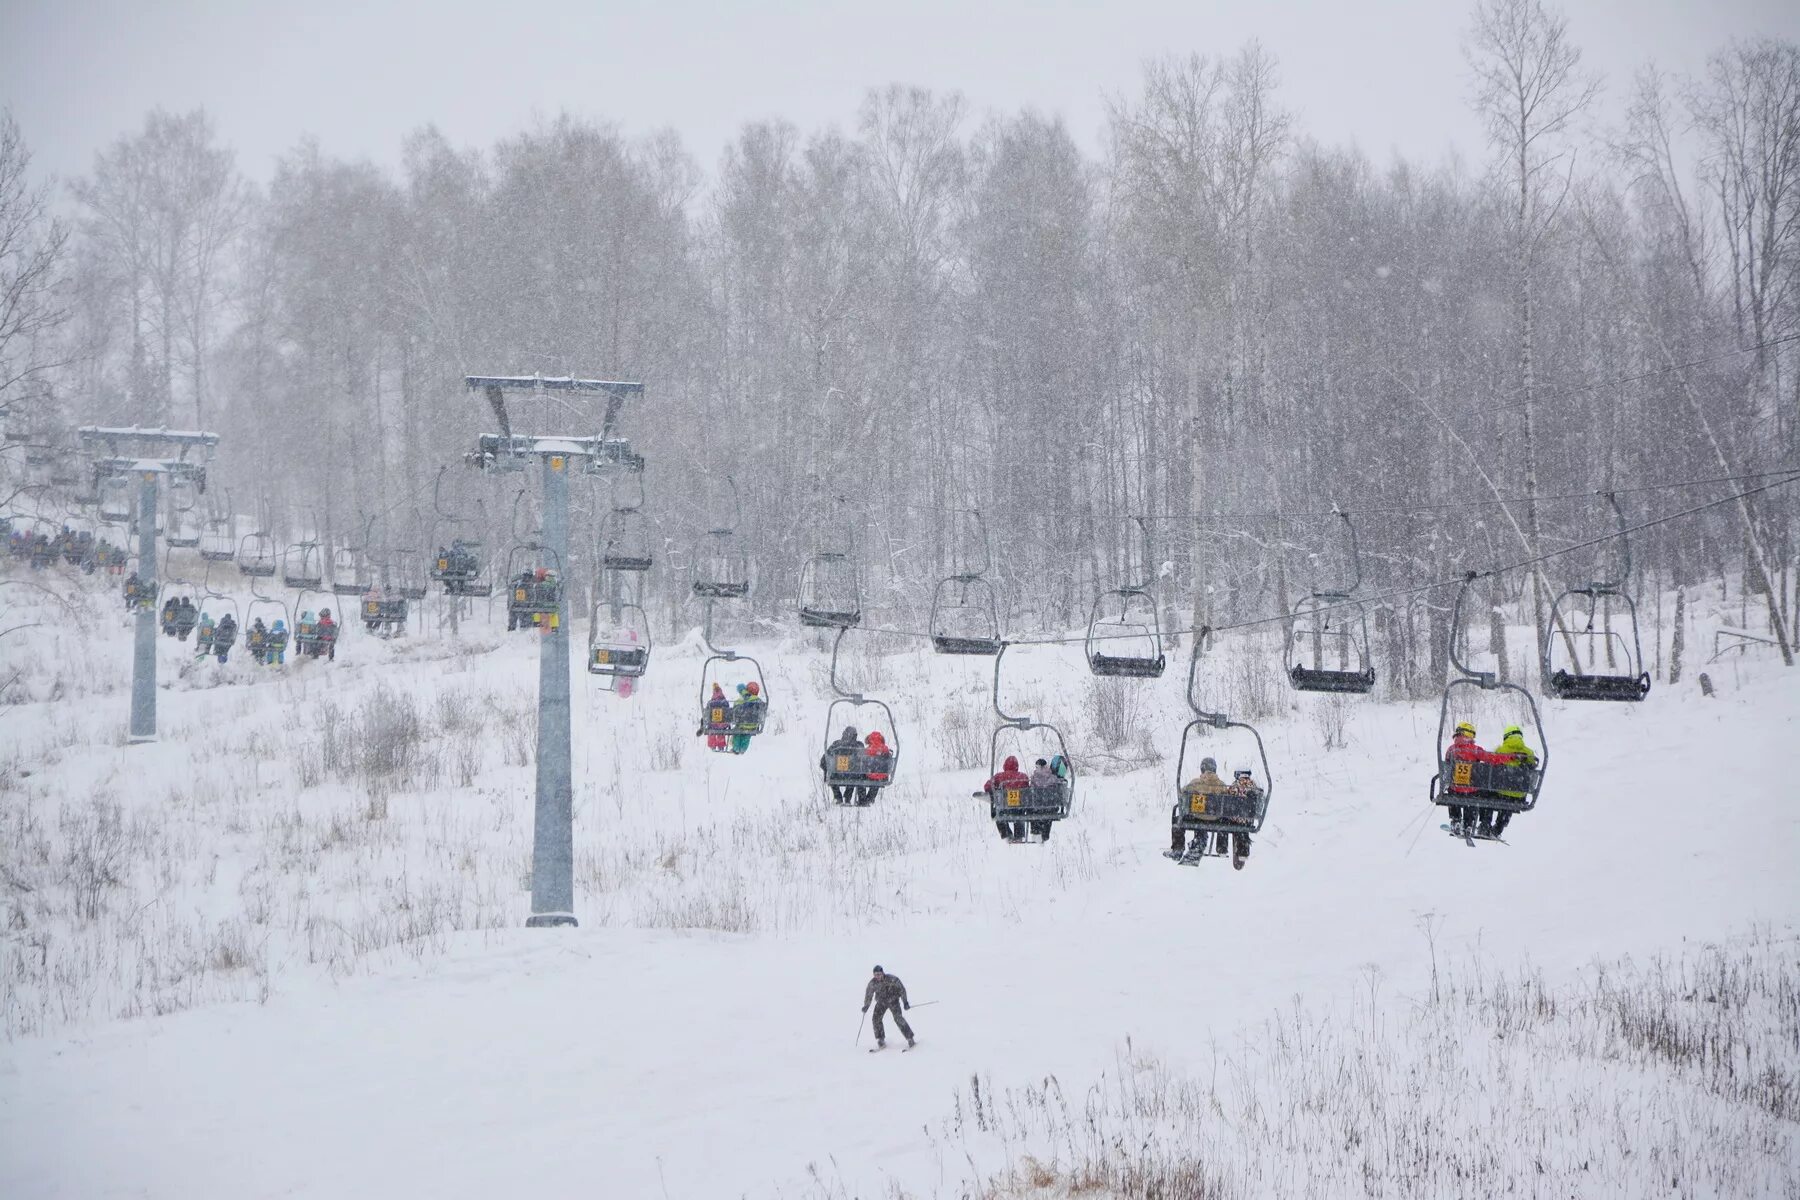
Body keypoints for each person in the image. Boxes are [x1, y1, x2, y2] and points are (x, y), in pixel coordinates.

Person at [1444, 721, 1498, 836]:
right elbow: (1491, 758)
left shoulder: (1451, 749)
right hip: (1471, 790)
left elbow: (1447, 766)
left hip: (1455, 789)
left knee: (1453, 792)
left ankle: (1456, 820)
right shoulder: (1475, 750)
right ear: (1469, 734)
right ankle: (1468, 823)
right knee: (1474, 794)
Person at [1488, 724, 1538, 838]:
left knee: (1487, 793)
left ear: (1506, 736)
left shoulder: (1500, 750)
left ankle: (1485, 824)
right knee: (1511, 799)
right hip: (1518, 795)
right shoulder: (1529, 753)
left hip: (1500, 792)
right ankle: (1498, 828)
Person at [1175, 756, 1230, 858]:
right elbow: (1228, 800)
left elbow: (1182, 794)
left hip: (1197, 817)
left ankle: (1178, 848)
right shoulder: (1222, 785)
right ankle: (1221, 847)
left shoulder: (1195, 783)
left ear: (1202, 768)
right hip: (1216, 819)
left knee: (1179, 819)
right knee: (1221, 817)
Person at [861, 965, 914, 1050]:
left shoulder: (892, 979)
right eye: (875, 975)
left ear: (882, 973)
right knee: (876, 1018)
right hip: (881, 1002)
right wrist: (866, 1006)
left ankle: (910, 1038)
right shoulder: (872, 983)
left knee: (898, 1018)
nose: (877, 976)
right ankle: (880, 1039)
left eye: (879, 974)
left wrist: (905, 1002)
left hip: (893, 1001)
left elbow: (902, 989)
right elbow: (868, 995)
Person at [983, 754, 1032, 841]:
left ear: (1005, 765)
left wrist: (994, 790)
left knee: (998, 815)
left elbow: (987, 786)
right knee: (1019, 816)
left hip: (1005, 808)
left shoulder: (999, 776)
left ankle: (1006, 835)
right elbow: (1027, 790)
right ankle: (1019, 836)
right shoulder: (1023, 776)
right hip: (1019, 808)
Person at [1224, 768, 1263, 868]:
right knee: (1243, 830)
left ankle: (1226, 847)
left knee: (1233, 825)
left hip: (1235, 817)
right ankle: (1243, 850)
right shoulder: (1253, 785)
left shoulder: (1235, 785)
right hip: (1248, 818)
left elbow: (1228, 797)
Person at [821, 726, 864, 804]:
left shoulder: (836, 744)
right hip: (853, 776)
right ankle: (848, 797)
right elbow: (864, 760)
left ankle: (838, 797)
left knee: (833, 774)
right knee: (854, 772)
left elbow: (825, 758)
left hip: (838, 774)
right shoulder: (859, 745)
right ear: (855, 736)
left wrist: (825, 771)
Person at [730, 681, 763, 754]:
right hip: (753, 725)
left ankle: (736, 748)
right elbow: (762, 711)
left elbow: (735, 712)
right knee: (746, 736)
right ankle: (743, 749)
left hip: (741, 725)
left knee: (737, 734)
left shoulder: (740, 701)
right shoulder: (758, 701)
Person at [860, 729, 893, 804]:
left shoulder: (868, 750)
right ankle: (870, 799)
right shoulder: (885, 749)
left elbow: (864, 762)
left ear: (869, 740)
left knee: (862, 776)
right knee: (878, 777)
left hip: (870, 774)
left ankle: (862, 799)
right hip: (882, 775)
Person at [702, 682, 730, 751]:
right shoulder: (725, 702)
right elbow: (729, 713)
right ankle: (721, 746)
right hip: (722, 724)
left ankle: (712, 745)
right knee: (721, 728)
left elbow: (706, 713)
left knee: (712, 728)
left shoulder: (710, 703)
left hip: (713, 724)